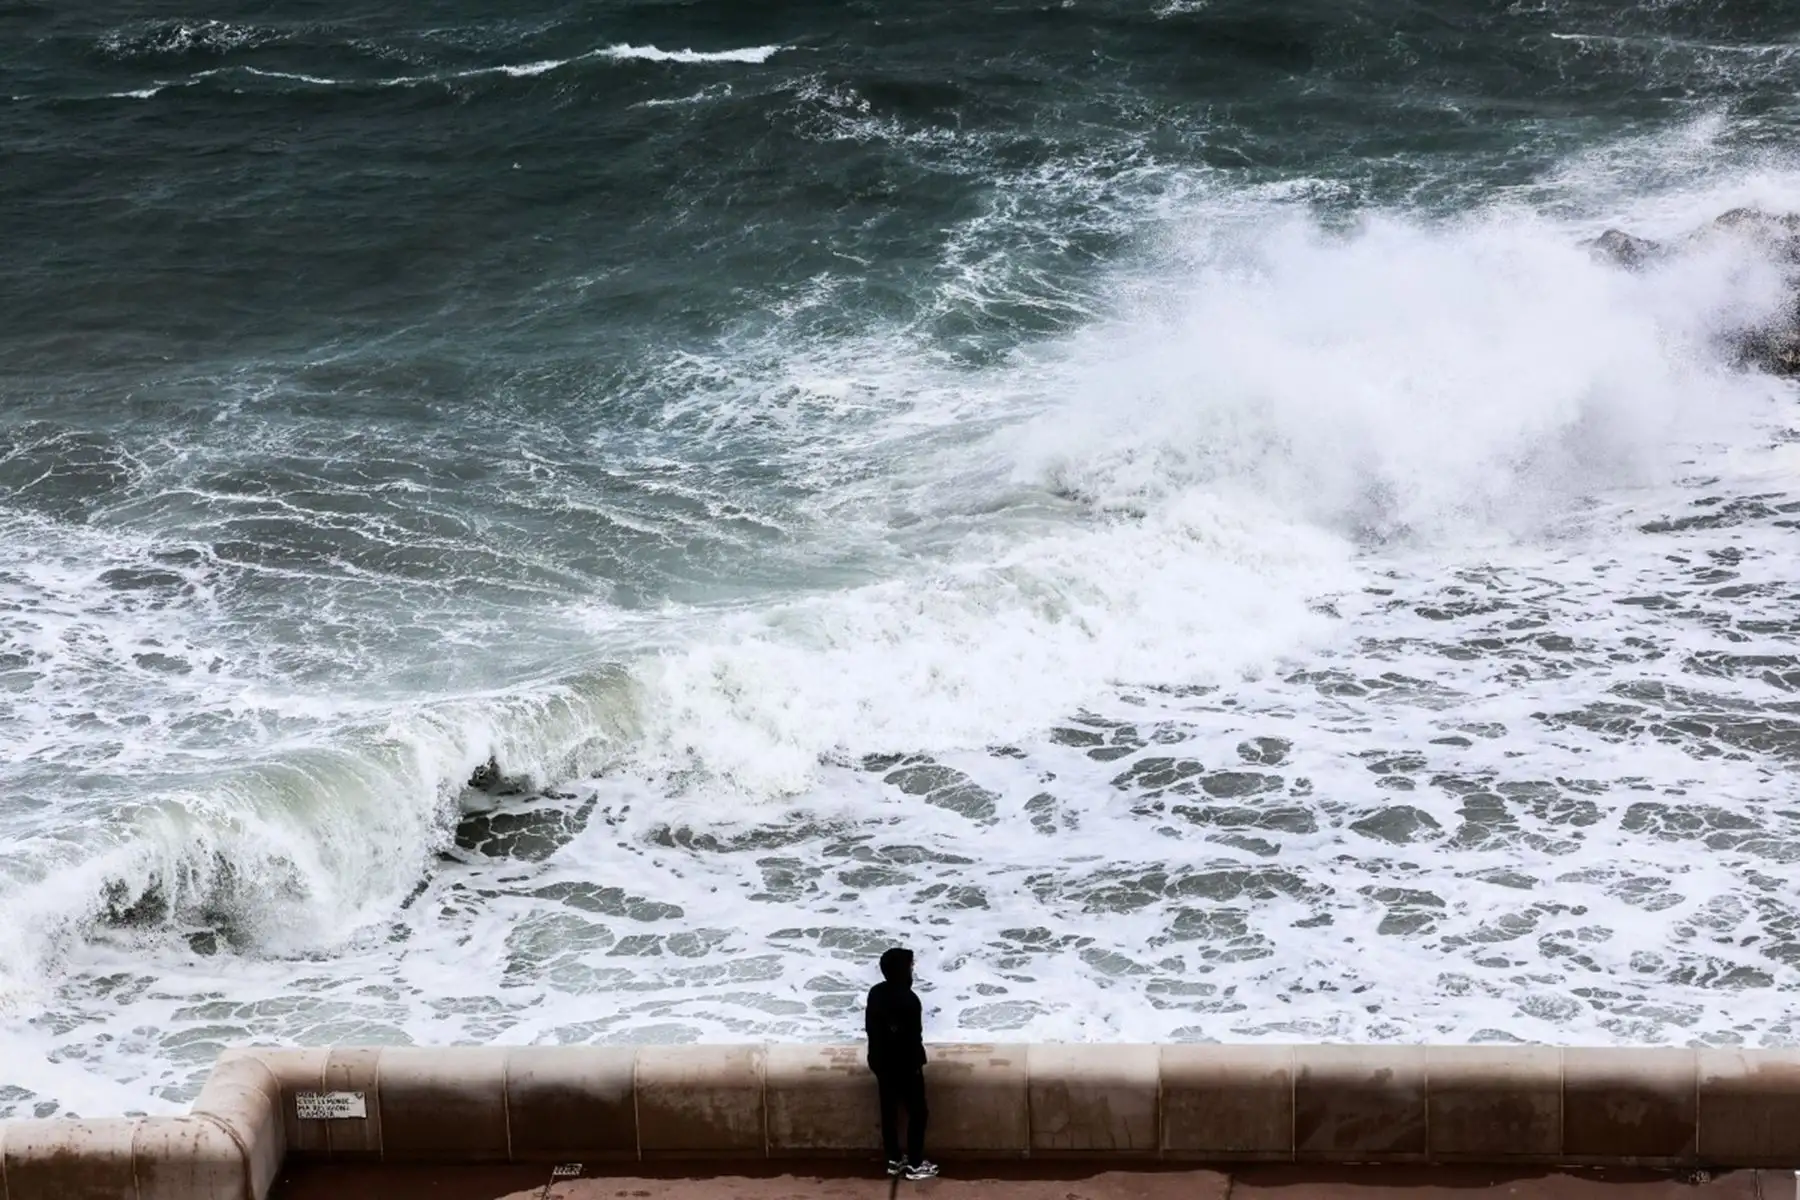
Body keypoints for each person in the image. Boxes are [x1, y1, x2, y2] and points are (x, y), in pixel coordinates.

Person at [864, 946, 937, 1180]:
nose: (913, 970)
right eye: (911, 966)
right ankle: (915, 1163)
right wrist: (916, 1064)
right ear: (903, 971)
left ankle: (894, 1160)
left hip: (881, 1063)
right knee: (918, 1113)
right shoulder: (909, 1000)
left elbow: (872, 1030)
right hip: (905, 1066)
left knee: (889, 1112)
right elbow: (913, 1038)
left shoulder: (875, 993)